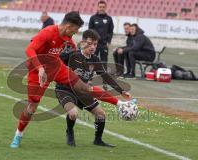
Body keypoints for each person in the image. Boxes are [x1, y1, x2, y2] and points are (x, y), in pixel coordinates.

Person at [10, 11, 131, 148]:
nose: (76, 33)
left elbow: (73, 48)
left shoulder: (68, 38)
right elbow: (29, 50)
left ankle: (120, 104)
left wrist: (75, 53)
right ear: (68, 26)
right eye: (75, 30)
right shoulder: (48, 32)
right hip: (37, 72)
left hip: (56, 68)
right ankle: (18, 134)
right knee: (32, 106)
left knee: (83, 87)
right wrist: (40, 68)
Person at [55, 29, 132, 147]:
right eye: (89, 43)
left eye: (95, 44)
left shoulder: (95, 59)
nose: (92, 47)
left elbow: (105, 76)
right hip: (65, 89)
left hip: (82, 91)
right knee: (73, 113)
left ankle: (98, 140)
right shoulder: (72, 55)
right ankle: (69, 132)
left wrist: (121, 91)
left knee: (101, 114)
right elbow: (54, 60)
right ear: (83, 42)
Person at [88, 0, 114, 89]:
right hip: (94, 44)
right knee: (92, 61)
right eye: (100, 7)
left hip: (103, 44)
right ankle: (89, 79)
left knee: (103, 63)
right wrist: (90, 42)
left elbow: (111, 31)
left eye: (103, 7)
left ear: (105, 8)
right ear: (97, 7)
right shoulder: (93, 18)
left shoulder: (109, 19)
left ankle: (105, 81)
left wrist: (108, 41)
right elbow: (90, 31)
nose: (101, 8)